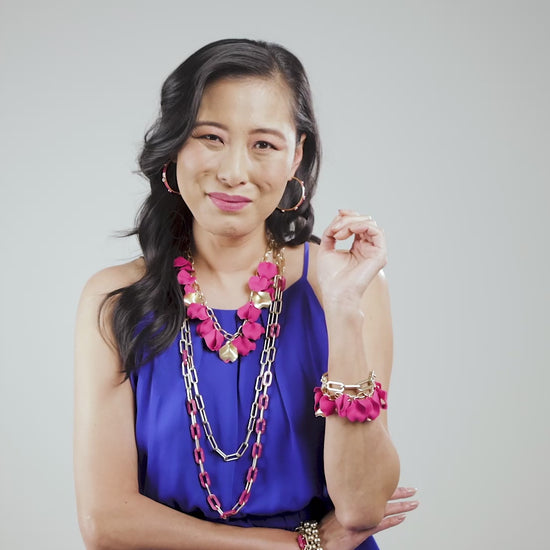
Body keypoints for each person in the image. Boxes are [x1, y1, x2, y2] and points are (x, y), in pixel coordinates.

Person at [74, 38, 418, 550]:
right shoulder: (115, 298)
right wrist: (302, 546)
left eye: (264, 145)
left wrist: (344, 311)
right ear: (174, 145)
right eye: (211, 137)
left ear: (296, 155)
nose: (234, 171)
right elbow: (107, 524)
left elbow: (362, 506)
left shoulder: (348, 286)